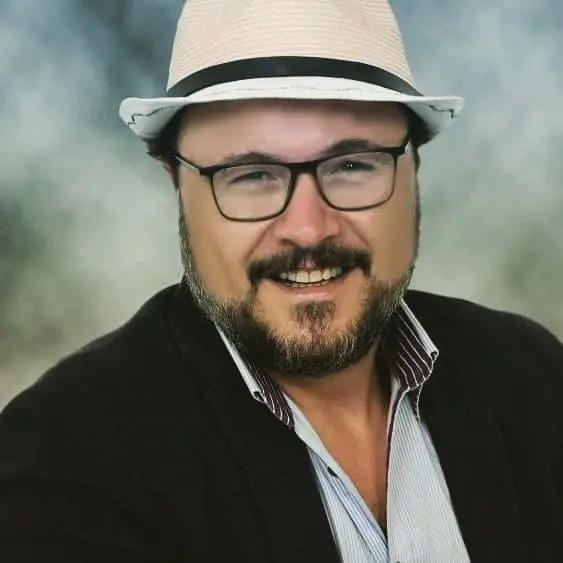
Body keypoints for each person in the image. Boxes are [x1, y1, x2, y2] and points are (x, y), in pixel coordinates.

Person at [1, 0, 562, 561]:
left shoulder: (532, 375)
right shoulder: (61, 461)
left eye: (353, 165)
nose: (308, 229)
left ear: (413, 167)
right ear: (176, 183)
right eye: (252, 175)